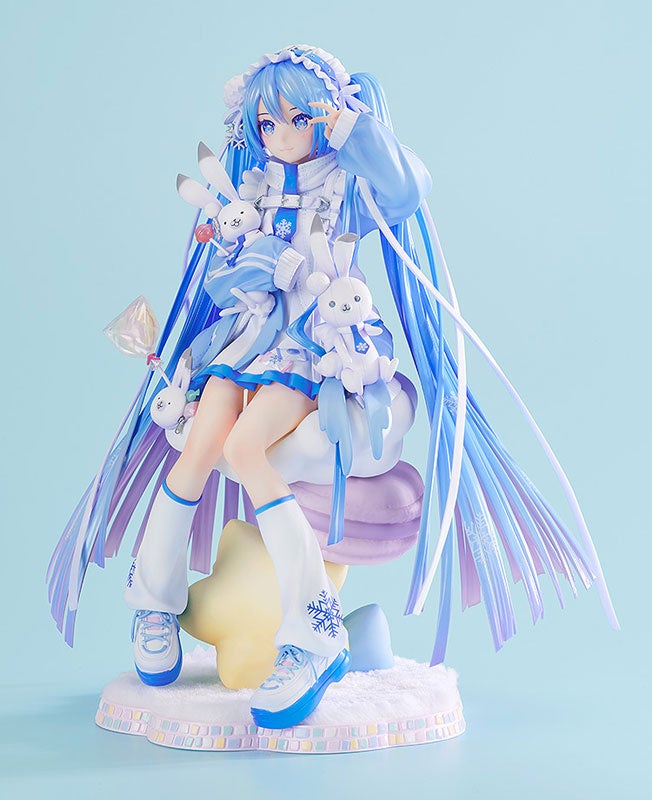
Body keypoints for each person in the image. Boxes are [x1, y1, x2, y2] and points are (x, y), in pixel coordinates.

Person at [48, 45, 618, 730]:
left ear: (325, 118)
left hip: (313, 344)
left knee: (246, 451)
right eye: (268, 123)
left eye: (298, 118)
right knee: (197, 447)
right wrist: (255, 262)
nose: (281, 135)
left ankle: (314, 633)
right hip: (243, 338)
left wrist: (352, 128)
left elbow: (408, 189)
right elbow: (222, 274)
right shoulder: (250, 187)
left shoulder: (346, 183)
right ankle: (153, 601)